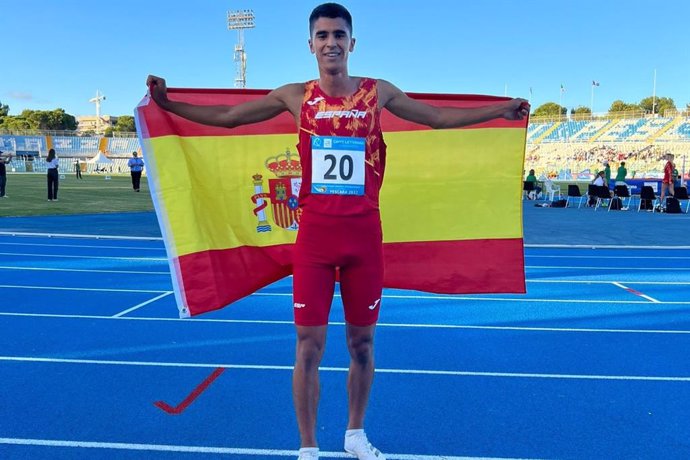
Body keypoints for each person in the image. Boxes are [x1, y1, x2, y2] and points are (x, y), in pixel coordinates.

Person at [146, 4, 529, 459]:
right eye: (323, 35)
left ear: (352, 43)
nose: (331, 42)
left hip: (364, 238)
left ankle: (354, 435)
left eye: (339, 34)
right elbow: (230, 117)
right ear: (310, 45)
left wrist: (499, 109)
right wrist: (167, 105)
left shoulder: (378, 93)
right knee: (308, 345)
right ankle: (308, 447)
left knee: (362, 344)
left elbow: (436, 118)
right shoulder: (295, 96)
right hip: (315, 240)